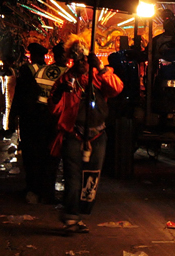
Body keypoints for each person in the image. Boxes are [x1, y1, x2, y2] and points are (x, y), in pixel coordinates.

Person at [48, 40, 123, 234]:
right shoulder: (66, 80)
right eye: (78, 59)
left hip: (97, 134)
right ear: (72, 60)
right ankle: (71, 217)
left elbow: (116, 88)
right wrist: (59, 95)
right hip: (74, 134)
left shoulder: (99, 75)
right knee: (72, 178)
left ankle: (80, 213)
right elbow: (54, 108)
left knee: (91, 179)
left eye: (84, 59)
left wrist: (99, 67)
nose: (82, 63)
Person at [10, 42, 64, 204]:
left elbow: (20, 96)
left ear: (31, 55)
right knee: (48, 157)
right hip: (50, 119)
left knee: (31, 155)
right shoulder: (51, 72)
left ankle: (33, 188)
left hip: (31, 119)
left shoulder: (28, 70)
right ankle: (46, 190)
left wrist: (14, 117)